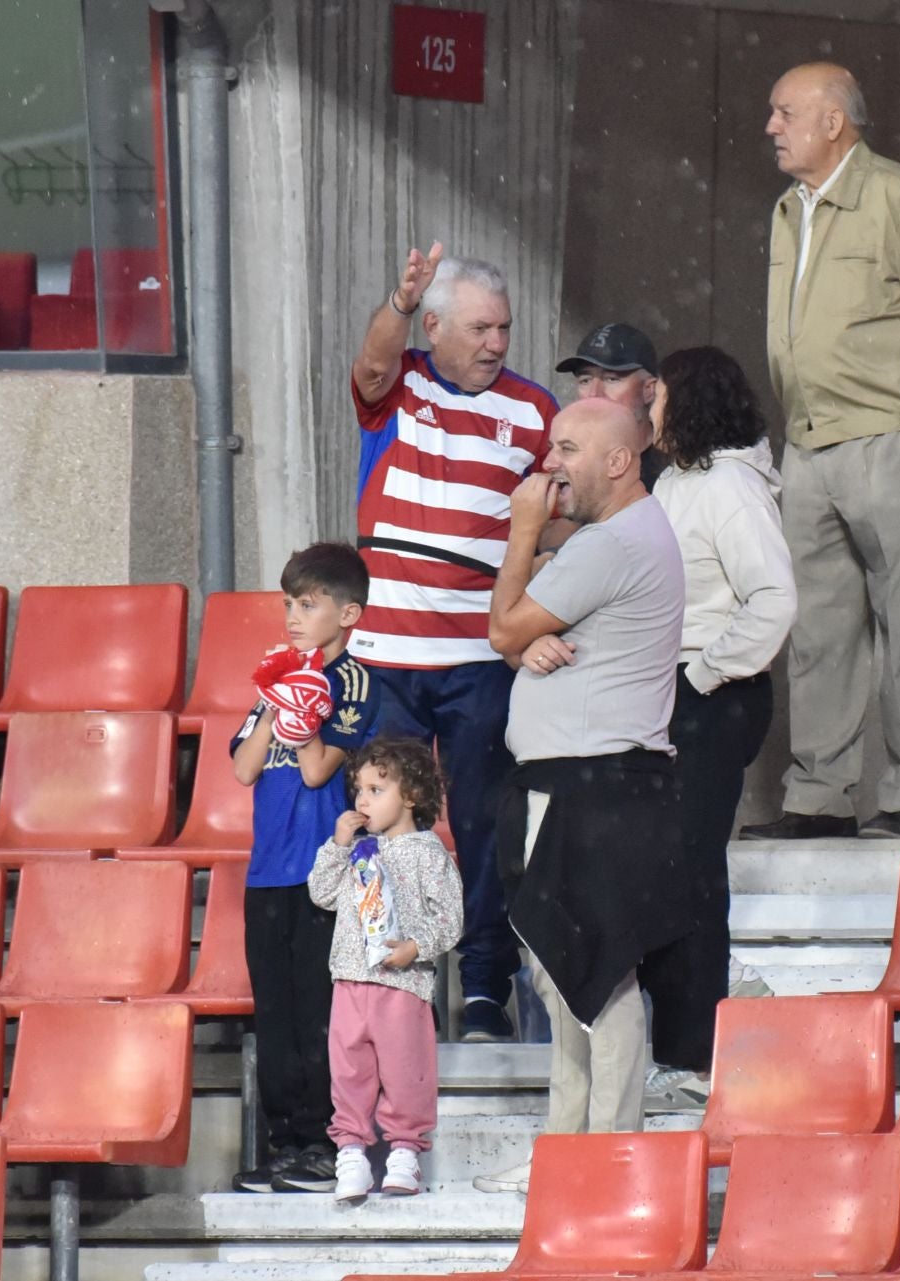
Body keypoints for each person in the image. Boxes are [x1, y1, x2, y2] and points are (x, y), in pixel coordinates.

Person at [741, 62, 900, 844]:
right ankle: (820, 795)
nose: (772, 127)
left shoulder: (893, 194)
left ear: (832, 123)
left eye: (785, 113)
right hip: (810, 440)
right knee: (817, 628)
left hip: (887, 433)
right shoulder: (790, 208)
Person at [472, 398, 688, 1195]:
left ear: (618, 461)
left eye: (566, 448)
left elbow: (500, 628)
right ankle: (567, 1153)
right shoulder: (614, 538)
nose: (549, 464)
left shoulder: (618, 541)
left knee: (597, 971)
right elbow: (518, 634)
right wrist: (526, 640)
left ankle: (607, 1158)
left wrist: (523, 526)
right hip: (573, 783)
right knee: (561, 976)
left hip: (594, 787)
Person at [349, 243, 562, 1042]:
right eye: (480, 328)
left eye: (504, 328)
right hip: (388, 656)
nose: (496, 343)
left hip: (480, 659)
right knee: (382, 824)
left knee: (482, 826)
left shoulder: (535, 410)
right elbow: (369, 364)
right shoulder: (398, 381)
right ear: (432, 325)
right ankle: (385, 979)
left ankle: (482, 990)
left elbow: (564, 513)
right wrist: (395, 302)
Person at [634, 346, 797, 1109]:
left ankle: (697, 1052)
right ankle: (675, 1043)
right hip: (670, 695)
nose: (647, 408)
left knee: (693, 869)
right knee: (665, 867)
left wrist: (698, 677)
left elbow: (773, 598)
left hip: (713, 694)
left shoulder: (731, 485)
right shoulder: (676, 480)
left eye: (657, 394)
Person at [229, 542, 380, 1194]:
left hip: (326, 871)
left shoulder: (353, 680)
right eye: (289, 602)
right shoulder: (276, 673)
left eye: (309, 603)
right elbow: (242, 766)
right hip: (267, 869)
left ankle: (327, 1140)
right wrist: (274, 701)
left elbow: (320, 767)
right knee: (277, 1011)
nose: (293, 615)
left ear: (348, 613)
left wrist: (302, 707)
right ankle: (284, 1141)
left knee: (323, 1011)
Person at [307, 737, 464, 1204]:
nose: (362, 800)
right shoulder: (358, 850)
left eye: (377, 789)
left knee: (405, 1073)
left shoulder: (427, 851)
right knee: (349, 1072)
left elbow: (451, 918)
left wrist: (415, 947)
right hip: (350, 982)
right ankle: (351, 1152)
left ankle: (404, 1154)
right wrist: (337, 846)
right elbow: (323, 894)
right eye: (359, 789)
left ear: (411, 796)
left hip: (403, 986)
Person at [555, 321, 667, 489]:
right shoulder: (565, 465)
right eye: (585, 380)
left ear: (648, 389)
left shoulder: (674, 467)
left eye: (611, 379)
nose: (594, 394)